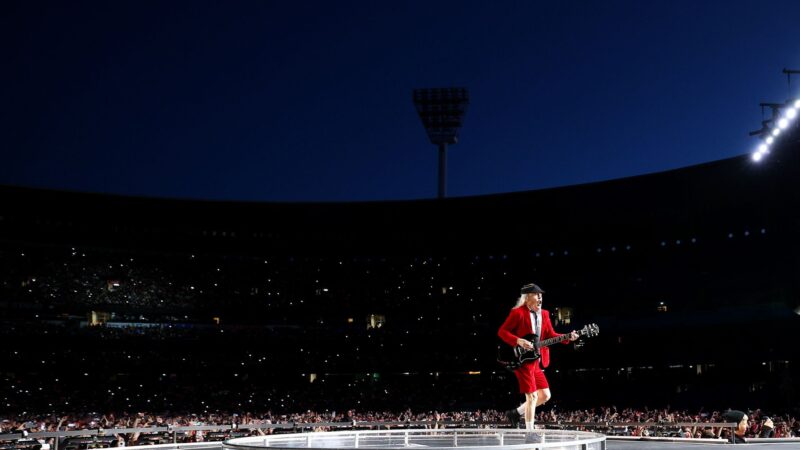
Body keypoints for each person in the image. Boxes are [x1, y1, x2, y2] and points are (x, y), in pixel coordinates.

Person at [498, 282, 578, 443]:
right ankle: (529, 434)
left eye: (541, 294)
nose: (540, 297)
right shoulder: (517, 313)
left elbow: (551, 334)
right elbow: (502, 332)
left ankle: (515, 413)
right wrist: (518, 341)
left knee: (545, 395)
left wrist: (568, 337)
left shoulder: (546, 314)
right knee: (532, 396)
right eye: (536, 294)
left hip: (537, 360)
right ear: (527, 298)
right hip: (523, 361)